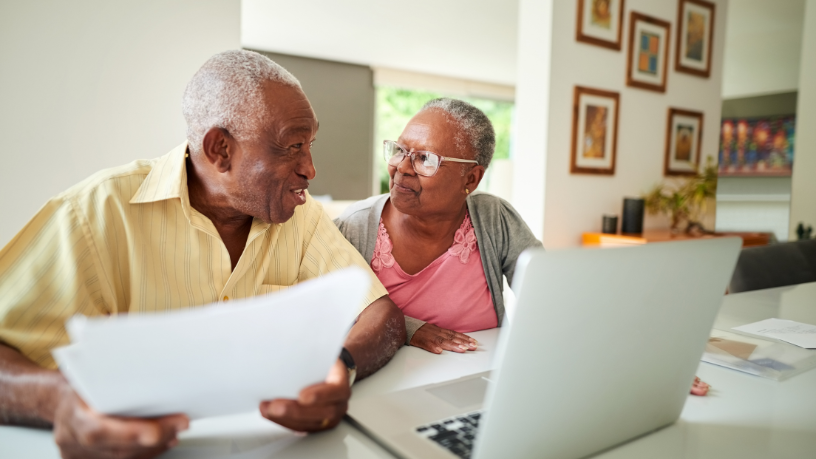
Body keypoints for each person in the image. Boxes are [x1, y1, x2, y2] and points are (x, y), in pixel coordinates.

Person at [0, 50, 405, 459]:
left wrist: (341, 367)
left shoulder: (301, 217)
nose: (310, 169)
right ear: (220, 150)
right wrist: (59, 402)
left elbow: (380, 314)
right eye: (292, 146)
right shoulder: (92, 214)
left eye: (311, 144)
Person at [335, 98, 541, 354]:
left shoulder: (494, 218)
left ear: (471, 178)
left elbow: (548, 296)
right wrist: (408, 329)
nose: (402, 167)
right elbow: (330, 311)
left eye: (425, 159)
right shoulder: (355, 227)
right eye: (400, 150)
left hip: (480, 377)